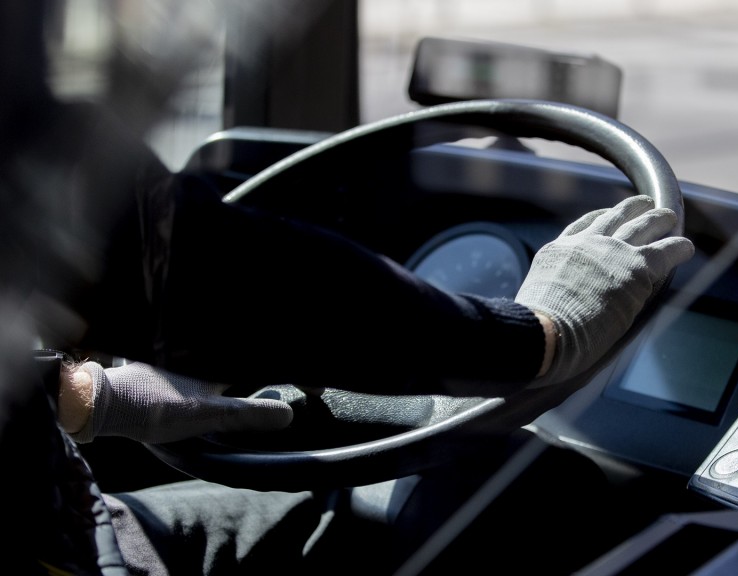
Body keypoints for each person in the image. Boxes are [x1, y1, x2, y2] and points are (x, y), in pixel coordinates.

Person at [0, 2, 694, 574]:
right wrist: (539, 336)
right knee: (527, 494)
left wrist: (82, 398)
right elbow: (153, 254)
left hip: (61, 522)